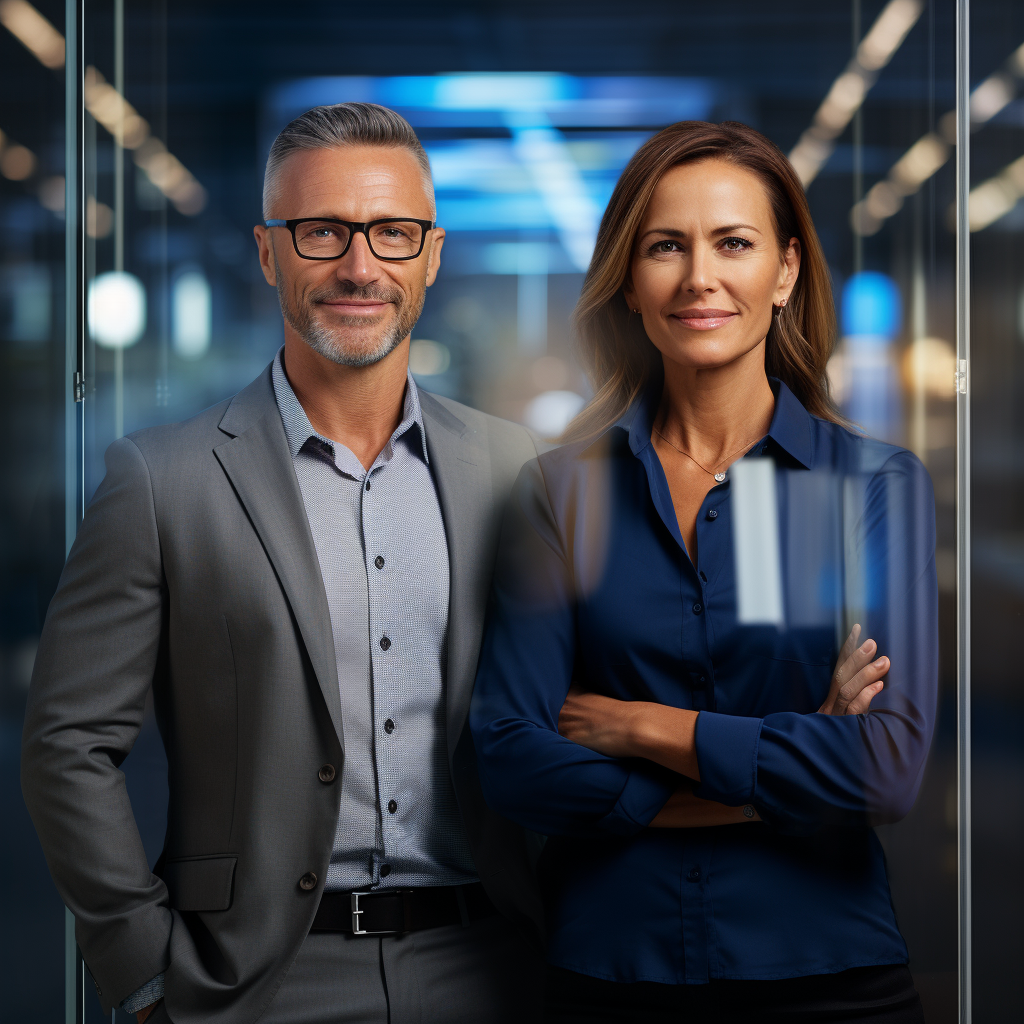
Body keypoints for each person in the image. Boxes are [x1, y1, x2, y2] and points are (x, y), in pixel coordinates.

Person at [21, 103, 544, 1024]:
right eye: (321, 232)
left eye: (392, 232)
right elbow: (68, 745)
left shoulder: (514, 472)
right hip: (257, 983)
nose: (358, 265)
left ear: (431, 255)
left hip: (492, 968)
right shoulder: (161, 481)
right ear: (269, 254)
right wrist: (143, 972)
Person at [470, 120, 936, 1023]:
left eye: (733, 243)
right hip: (611, 972)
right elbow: (514, 763)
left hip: (827, 977)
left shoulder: (865, 488)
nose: (699, 278)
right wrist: (781, 774)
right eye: (665, 247)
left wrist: (644, 726)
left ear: (787, 271)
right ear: (630, 284)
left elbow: (883, 768)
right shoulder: (562, 494)